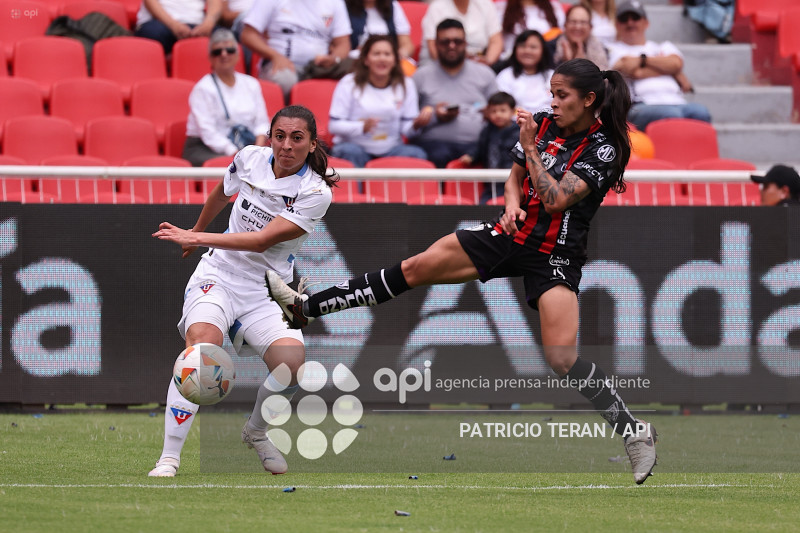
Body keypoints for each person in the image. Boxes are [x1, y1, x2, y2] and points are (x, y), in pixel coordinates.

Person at [267, 58, 659, 485]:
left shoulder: (605, 147)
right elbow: (514, 180)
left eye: (562, 95)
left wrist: (529, 148)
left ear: (588, 99)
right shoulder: (543, 123)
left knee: (562, 358)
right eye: (551, 92)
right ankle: (307, 306)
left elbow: (556, 201)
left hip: (555, 254)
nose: (553, 102)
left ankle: (635, 432)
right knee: (416, 267)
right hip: (508, 234)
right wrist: (510, 203)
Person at [148, 105, 336, 477]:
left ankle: (256, 431)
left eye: (297, 138)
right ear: (269, 137)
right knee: (200, 350)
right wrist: (196, 230)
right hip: (219, 274)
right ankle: (169, 458)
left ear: (312, 144)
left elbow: (262, 241)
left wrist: (197, 237)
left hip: (266, 292)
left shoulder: (315, 192)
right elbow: (222, 192)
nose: (286, 145)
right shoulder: (249, 158)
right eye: (279, 136)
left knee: (293, 368)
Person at [607, 0, 710, 132]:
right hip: (639, 106)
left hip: (676, 101)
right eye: (624, 19)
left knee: (701, 112)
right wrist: (670, 71)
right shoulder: (613, 49)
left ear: (646, 23)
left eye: (636, 18)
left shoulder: (663, 46)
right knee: (672, 115)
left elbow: (676, 64)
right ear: (617, 25)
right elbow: (631, 70)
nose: (630, 23)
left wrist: (642, 61)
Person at [410, 19, 499, 168]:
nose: (451, 46)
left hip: (477, 144)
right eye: (445, 42)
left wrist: (489, 113)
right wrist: (435, 117)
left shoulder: (485, 74)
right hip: (433, 146)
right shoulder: (420, 76)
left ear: (465, 44)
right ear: (436, 45)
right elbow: (408, 124)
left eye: (457, 41)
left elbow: (500, 111)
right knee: (437, 154)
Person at [329, 35, 428, 167]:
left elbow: (406, 128)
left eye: (387, 54)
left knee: (416, 155)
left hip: (391, 149)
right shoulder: (349, 83)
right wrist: (361, 127)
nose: (382, 58)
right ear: (366, 60)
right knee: (349, 151)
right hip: (355, 146)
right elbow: (334, 125)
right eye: (376, 54)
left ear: (395, 59)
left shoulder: (406, 84)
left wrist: (417, 124)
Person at [183, 28, 270, 167]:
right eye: (217, 52)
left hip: (247, 145)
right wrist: (236, 153)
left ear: (237, 54)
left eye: (229, 50)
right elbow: (208, 132)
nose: (224, 54)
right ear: (210, 58)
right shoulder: (203, 88)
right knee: (234, 166)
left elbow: (262, 123)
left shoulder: (251, 84)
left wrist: (257, 150)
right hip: (205, 147)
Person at [240, 0, 352, 100]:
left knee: (355, 71)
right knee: (285, 80)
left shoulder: (335, 2)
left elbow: (343, 43)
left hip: (318, 67)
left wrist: (333, 59)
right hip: (280, 64)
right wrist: (275, 55)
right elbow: (248, 35)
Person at [457, 91, 519, 203]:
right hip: (491, 181)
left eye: (502, 110)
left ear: (513, 111)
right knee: (484, 209)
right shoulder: (487, 131)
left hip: (512, 181)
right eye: (493, 111)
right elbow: (480, 148)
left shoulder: (519, 132)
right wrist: (471, 156)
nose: (498, 115)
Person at [421, 0, 503, 67]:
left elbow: (496, 41)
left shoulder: (486, 4)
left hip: (480, 64)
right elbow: (433, 48)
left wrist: (487, 61)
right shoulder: (436, 7)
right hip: (443, 65)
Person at [496, 30, 554, 114]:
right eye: (522, 46)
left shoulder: (552, 76)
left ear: (543, 50)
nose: (527, 51)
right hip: (515, 125)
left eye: (533, 47)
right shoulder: (505, 76)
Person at [135, 0, 222, 54]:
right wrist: (174, 25)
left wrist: (208, 24)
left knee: (225, 38)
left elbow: (215, 2)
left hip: (196, 24)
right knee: (154, 34)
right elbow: (150, 2)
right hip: (160, 23)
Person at [345, 0, 416, 64]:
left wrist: (398, 54)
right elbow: (340, 46)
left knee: (408, 69)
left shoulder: (392, 6)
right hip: (357, 60)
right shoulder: (343, 7)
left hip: (390, 60)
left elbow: (407, 45)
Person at [496, 0, 565, 62]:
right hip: (509, 62)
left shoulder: (554, 7)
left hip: (548, 62)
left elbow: (561, 35)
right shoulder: (500, 7)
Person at [553, 4, 608, 70]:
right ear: (565, 25)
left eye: (583, 22)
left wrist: (582, 65)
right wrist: (567, 63)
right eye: (573, 22)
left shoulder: (602, 50)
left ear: (590, 27)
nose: (578, 27)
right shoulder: (550, 49)